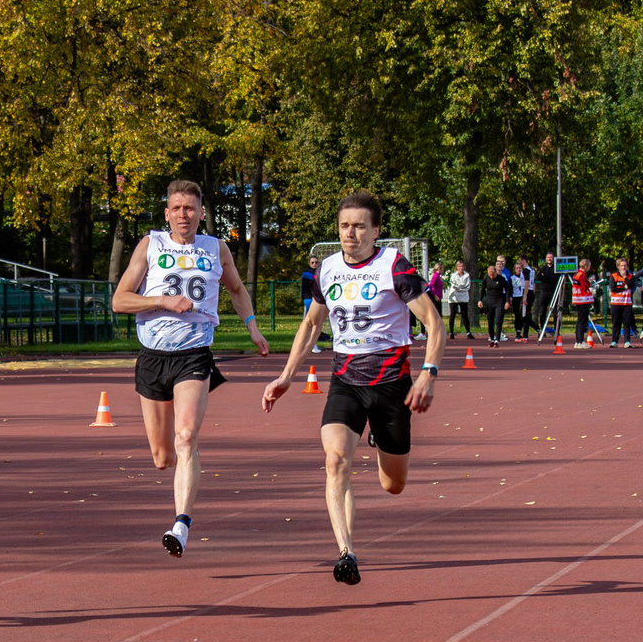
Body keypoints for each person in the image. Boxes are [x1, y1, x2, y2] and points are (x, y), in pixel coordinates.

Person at [262, 191, 442, 584]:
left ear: (376, 231)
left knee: (393, 485)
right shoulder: (327, 269)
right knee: (335, 461)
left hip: (392, 385)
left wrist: (428, 372)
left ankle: (380, 437)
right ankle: (346, 552)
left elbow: (433, 322)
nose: (351, 233)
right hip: (345, 382)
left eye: (360, 226)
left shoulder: (394, 266)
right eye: (345, 226)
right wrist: (287, 376)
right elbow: (311, 325)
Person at [110, 179, 269, 556]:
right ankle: (181, 466)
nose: (184, 214)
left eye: (190, 208)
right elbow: (120, 300)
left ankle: (181, 524)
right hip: (152, 357)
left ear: (201, 213)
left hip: (194, 354)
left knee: (186, 436)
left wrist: (253, 327)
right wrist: (164, 300)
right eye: (176, 208)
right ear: (167, 214)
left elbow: (236, 290)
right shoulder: (151, 245)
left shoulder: (217, 248)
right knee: (163, 457)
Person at [607, 258, 637, 346]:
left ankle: (627, 341)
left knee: (626, 323)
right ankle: (614, 341)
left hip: (626, 303)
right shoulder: (614, 276)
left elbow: (631, 286)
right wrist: (624, 288)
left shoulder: (630, 276)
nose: (623, 267)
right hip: (616, 303)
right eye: (622, 266)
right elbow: (613, 289)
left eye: (625, 266)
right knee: (616, 323)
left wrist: (625, 277)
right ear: (618, 266)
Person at [481, 257, 511, 344]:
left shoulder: (501, 279)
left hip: (499, 301)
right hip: (490, 302)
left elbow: (507, 290)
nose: (491, 277)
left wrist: (507, 301)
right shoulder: (486, 279)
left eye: (493, 275)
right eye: (490, 275)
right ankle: (491, 337)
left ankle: (497, 339)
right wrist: (480, 300)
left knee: (498, 320)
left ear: (495, 272)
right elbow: (482, 290)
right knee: (490, 321)